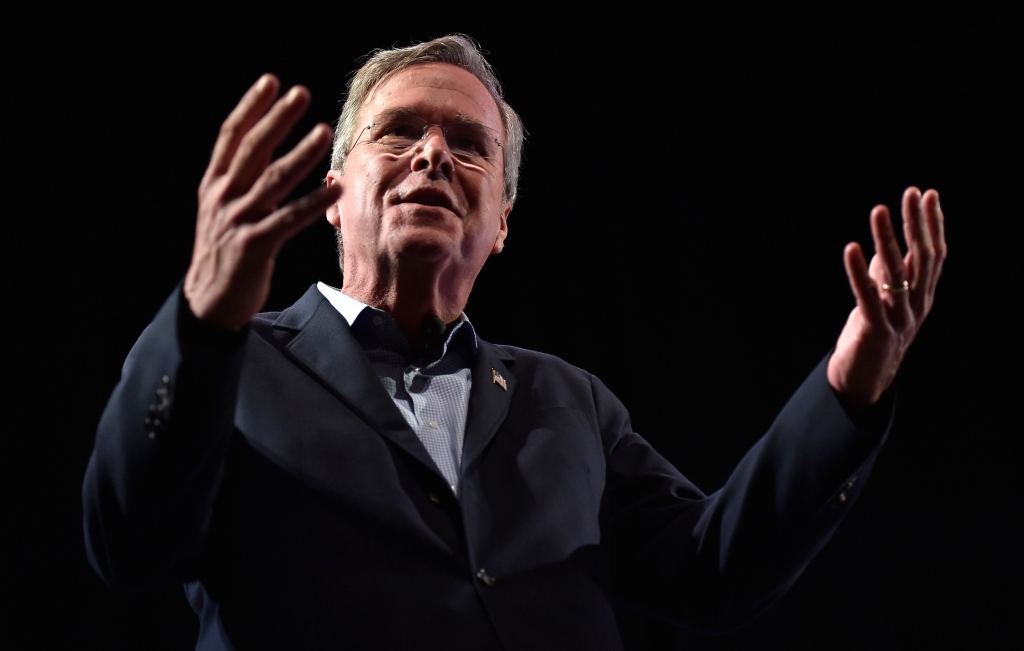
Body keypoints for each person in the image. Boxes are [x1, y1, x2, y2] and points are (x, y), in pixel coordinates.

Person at [83, 35, 946, 650]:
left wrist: (849, 386)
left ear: (500, 224)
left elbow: (715, 568)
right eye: (401, 131)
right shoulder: (231, 366)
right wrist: (201, 319)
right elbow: (128, 542)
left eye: (470, 146)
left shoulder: (568, 400)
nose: (433, 154)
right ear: (336, 192)